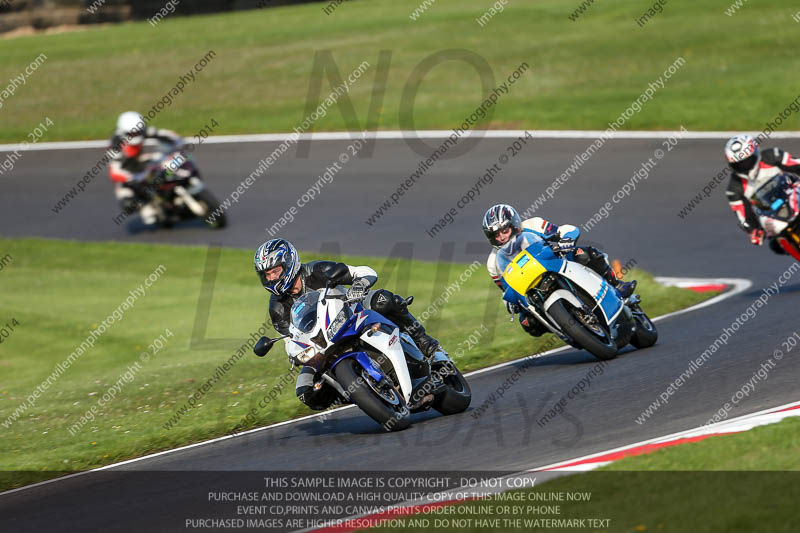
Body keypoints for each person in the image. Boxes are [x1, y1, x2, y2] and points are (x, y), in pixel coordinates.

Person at [254, 238, 442, 410]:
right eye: (267, 275)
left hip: (352, 312)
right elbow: (290, 338)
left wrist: (358, 286)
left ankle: (426, 344)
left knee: (383, 299)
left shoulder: (317, 271)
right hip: (321, 344)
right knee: (306, 391)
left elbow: (363, 272)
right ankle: (361, 393)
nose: (272, 278)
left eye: (275, 271)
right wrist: (294, 354)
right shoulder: (277, 307)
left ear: (289, 263)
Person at [482, 204, 636, 337]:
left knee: (584, 254)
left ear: (514, 225)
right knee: (527, 322)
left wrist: (566, 239)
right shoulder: (492, 263)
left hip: (556, 261)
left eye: (504, 231)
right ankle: (564, 326)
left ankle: (616, 284)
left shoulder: (534, 224)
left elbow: (564, 230)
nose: (501, 237)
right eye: (496, 234)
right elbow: (505, 289)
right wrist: (510, 303)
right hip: (531, 288)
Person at [724, 134, 800, 255]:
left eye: (747, 162)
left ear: (755, 153)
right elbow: (743, 217)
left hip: (793, 192)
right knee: (775, 246)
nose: (744, 167)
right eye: (739, 165)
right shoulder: (734, 189)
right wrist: (753, 231)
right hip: (772, 214)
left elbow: (796, 164)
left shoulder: (772, 155)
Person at [107, 111, 183, 224]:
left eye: (138, 131)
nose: (137, 134)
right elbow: (114, 171)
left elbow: (163, 134)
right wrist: (131, 178)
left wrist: (177, 140)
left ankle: (179, 185)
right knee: (129, 204)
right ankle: (148, 208)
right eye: (133, 133)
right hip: (129, 173)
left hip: (145, 163)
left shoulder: (142, 130)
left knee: (177, 161)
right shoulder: (115, 146)